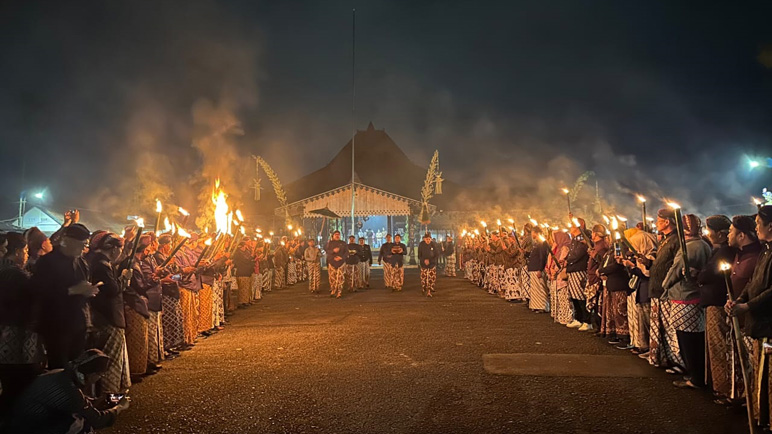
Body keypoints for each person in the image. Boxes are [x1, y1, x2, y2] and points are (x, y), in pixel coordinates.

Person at [4, 349, 130, 434]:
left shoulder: (63, 373)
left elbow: (78, 402)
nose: (100, 378)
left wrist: (98, 400)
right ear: (92, 374)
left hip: (20, 420)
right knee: (82, 425)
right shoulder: (69, 390)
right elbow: (97, 419)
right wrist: (120, 407)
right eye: (100, 374)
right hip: (27, 428)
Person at [31, 223, 99, 369]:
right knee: (59, 367)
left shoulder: (81, 261)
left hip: (78, 322)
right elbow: (39, 291)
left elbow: (83, 286)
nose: (83, 248)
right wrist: (73, 290)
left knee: (77, 366)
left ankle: (75, 391)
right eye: (81, 244)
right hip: (56, 324)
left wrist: (88, 290)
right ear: (67, 241)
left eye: (85, 244)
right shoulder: (47, 262)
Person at [728, 205, 772, 428]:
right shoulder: (765, 251)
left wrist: (748, 306)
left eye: (758, 224)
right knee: (759, 374)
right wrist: (739, 299)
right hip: (758, 322)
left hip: (768, 323)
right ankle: (761, 416)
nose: (756, 228)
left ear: (770, 226)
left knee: (768, 376)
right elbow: (753, 281)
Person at [663, 214, 712, 389]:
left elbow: (676, 270)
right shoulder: (704, 244)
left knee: (688, 340)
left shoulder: (691, 247)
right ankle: (698, 374)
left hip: (685, 297)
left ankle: (696, 376)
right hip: (693, 296)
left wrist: (664, 285)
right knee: (694, 339)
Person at [0, 232, 44, 417]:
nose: (26, 254)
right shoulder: (16, 274)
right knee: (18, 381)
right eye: (25, 250)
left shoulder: (5, 270)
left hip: (6, 333)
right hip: (15, 335)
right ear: (17, 251)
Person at [85, 232, 132, 399]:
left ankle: (113, 394)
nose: (120, 252)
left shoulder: (99, 262)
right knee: (111, 359)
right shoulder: (101, 265)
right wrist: (123, 280)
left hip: (105, 316)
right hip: (108, 317)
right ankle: (109, 397)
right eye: (120, 248)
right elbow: (111, 290)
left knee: (113, 357)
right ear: (113, 249)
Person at [696, 215, 737, 400]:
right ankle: (719, 385)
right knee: (715, 345)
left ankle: (725, 388)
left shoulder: (725, 252)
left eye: (709, 229)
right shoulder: (717, 250)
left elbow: (708, 274)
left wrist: (700, 274)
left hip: (718, 303)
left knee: (720, 345)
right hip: (713, 301)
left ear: (720, 233)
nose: (707, 233)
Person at [648, 208, 684, 370]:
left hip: (667, 291)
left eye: (658, 220)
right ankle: (663, 357)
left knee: (670, 328)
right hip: (658, 290)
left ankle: (677, 361)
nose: (656, 223)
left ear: (667, 221)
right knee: (661, 328)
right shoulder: (665, 239)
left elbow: (675, 265)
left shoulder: (676, 240)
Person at [565, 223, 591, 330]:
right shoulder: (575, 239)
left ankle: (587, 320)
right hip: (573, 270)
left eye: (572, 226)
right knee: (574, 295)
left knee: (580, 295)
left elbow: (578, 254)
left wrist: (568, 260)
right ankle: (578, 318)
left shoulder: (581, 239)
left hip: (579, 270)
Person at [527, 227, 550, 313]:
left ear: (536, 233)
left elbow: (542, 257)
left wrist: (540, 269)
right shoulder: (537, 243)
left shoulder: (542, 243)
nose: (531, 234)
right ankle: (536, 305)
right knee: (535, 289)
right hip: (533, 268)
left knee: (540, 288)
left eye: (532, 232)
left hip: (537, 268)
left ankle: (543, 306)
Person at [325, 231, 348, 298]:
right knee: (332, 278)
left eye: (338, 234)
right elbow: (326, 250)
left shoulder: (343, 243)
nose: (337, 236)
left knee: (340, 278)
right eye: (336, 235)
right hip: (332, 262)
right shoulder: (329, 243)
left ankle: (339, 292)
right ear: (333, 236)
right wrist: (333, 251)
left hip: (341, 263)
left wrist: (341, 258)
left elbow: (346, 253)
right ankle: (333, 290)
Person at [418, 232, 440, 297]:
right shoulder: (421, 244)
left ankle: (430, 288)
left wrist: (430, 260)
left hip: (432, 264)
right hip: (423, 264)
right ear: (424, 239)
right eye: (426, 239)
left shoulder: (434, 245)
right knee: (423, 277)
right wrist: (424, 260)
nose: (428, 240)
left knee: (431, 277)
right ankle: (423, 287)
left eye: (429, 239)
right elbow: (419, 255)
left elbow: (437, 254)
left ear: (431, 239)